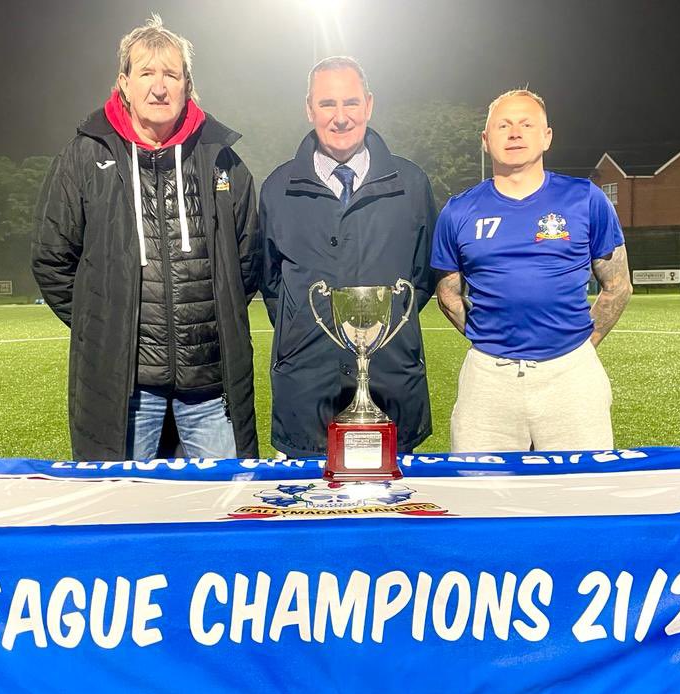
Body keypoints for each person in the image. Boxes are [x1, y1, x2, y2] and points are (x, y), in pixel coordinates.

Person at [32, 15, 260, 461]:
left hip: (211, 387)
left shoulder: (221, 160)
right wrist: (103, 326)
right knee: (124, 512)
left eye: (171, 75)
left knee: (223, 508)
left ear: (187, 84)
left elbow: (248, 260)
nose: (160, 87)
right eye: (147, 73)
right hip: (126, 390)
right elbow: (51, 258)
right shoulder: (85, 155)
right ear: (124, 83)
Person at [433, 89, 632, 453]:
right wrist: (489, 338)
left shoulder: (585, 198)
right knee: (484, 496)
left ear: (547, 136)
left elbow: (617, 285)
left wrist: (581, 347)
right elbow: (448, 293)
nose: (514, 133)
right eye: (503, 125)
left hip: (571, 376)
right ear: (485, 140)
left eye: (527, 124)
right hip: (488, 380)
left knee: (580, 496)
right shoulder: (458, 211)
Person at [259, 56, 437, 458]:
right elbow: (270, 282)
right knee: (306, 516)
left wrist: (380, 333)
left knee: (392, 514)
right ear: (309, 109)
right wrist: (306, 331)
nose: (340, 117)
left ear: (369, 105)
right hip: (306, 394)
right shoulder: (276, 188)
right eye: (327, 104)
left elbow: (422, 276)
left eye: (351, 103)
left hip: (391, 392)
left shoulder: (410, 184)